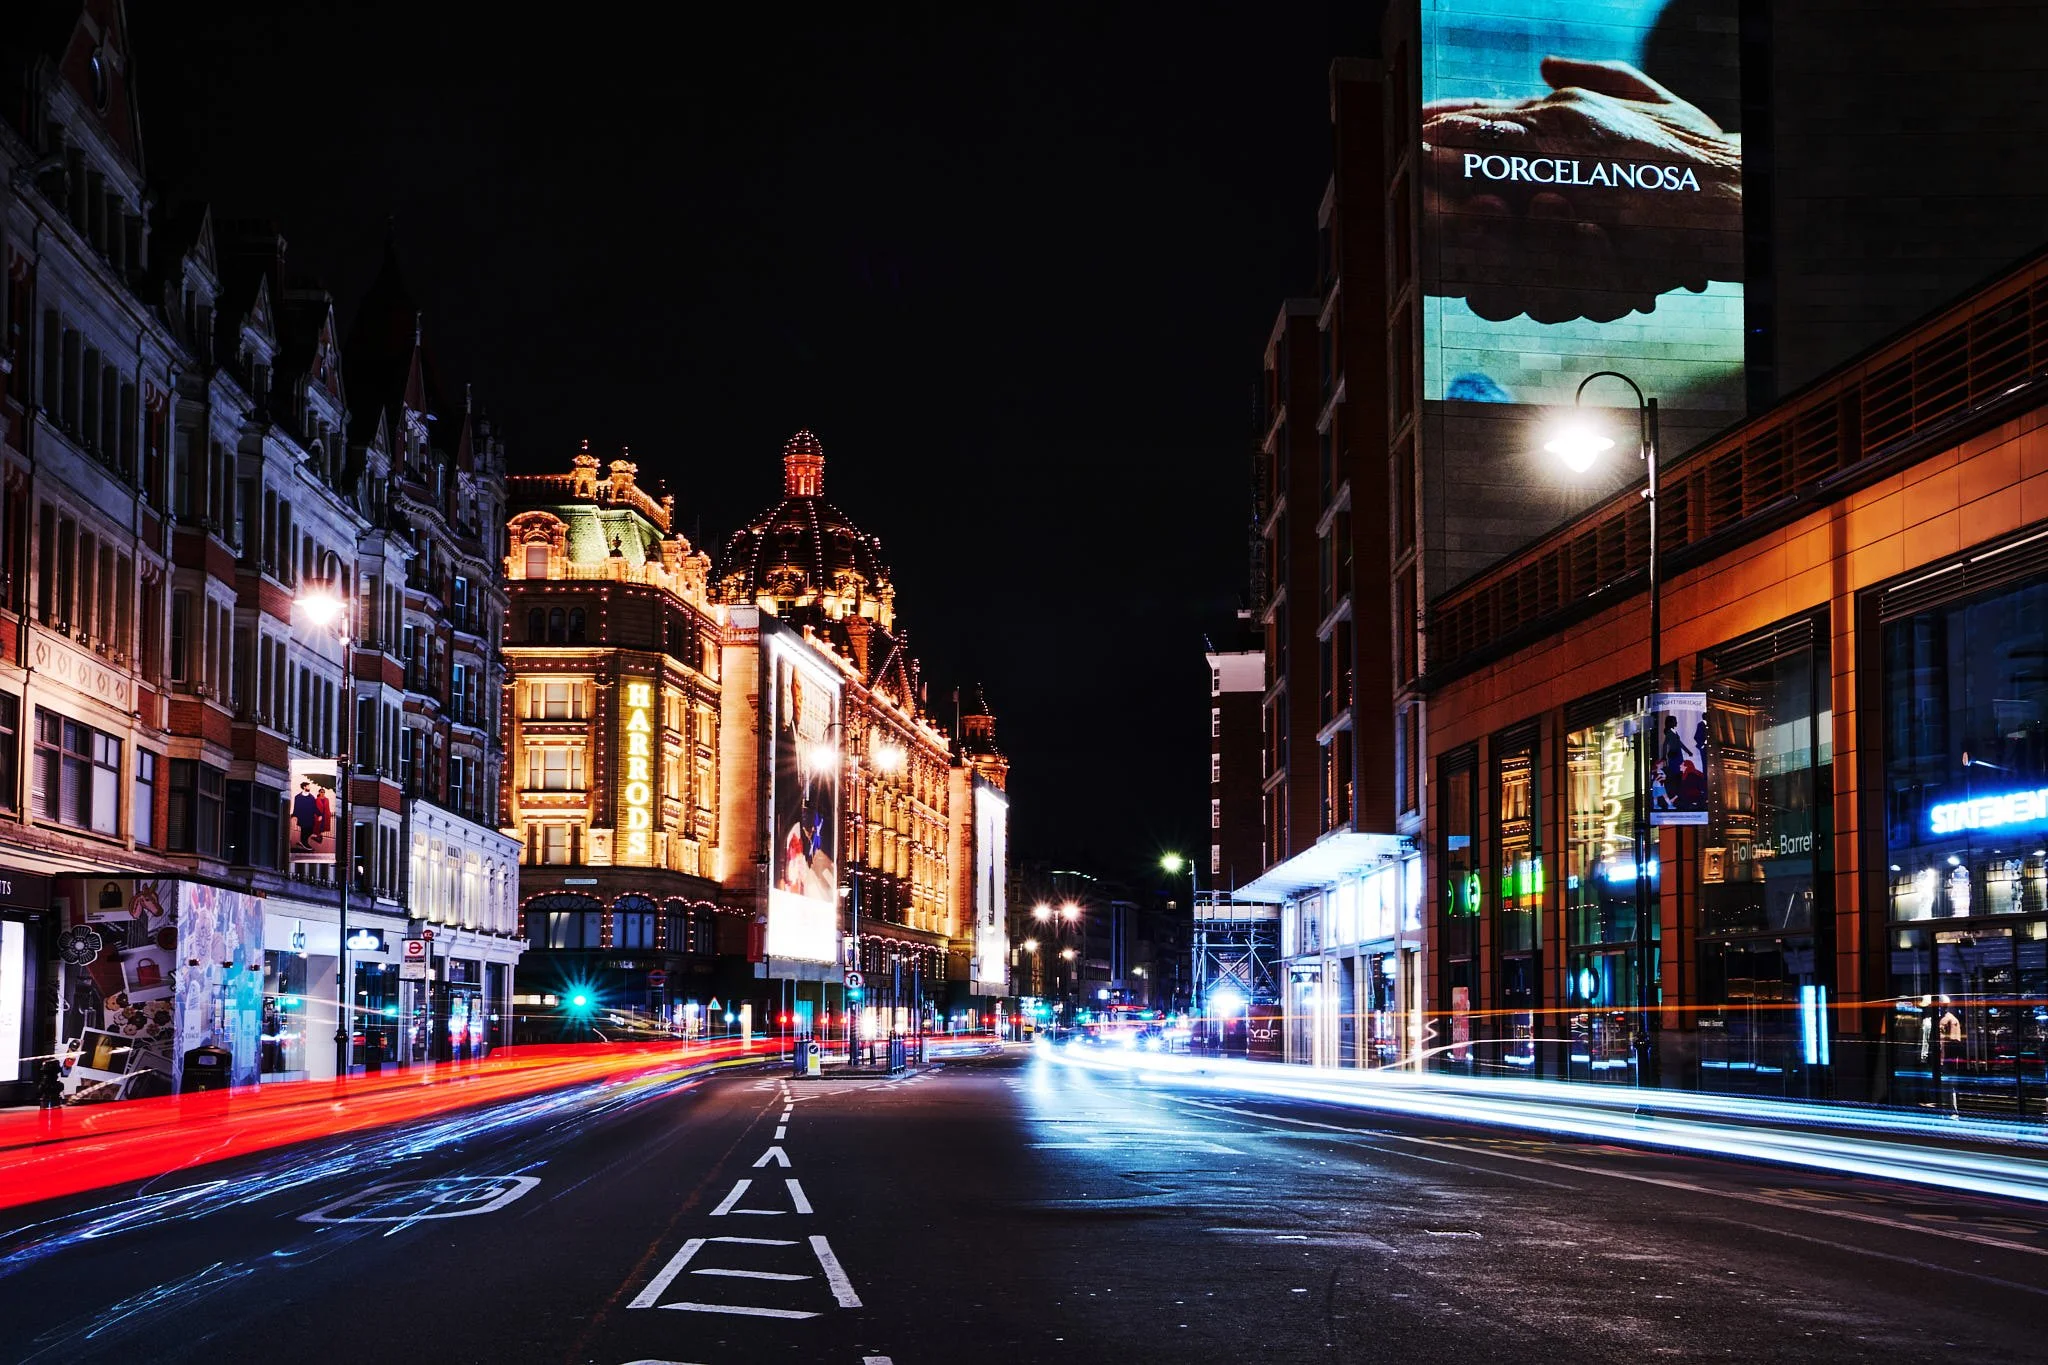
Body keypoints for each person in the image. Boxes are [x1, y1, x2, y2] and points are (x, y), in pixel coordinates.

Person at [292, 781, 322, 851]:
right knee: (304, 830)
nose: (309, 787)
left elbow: (315, 807)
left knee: (310, 830)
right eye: (308, 786)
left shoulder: (311, 797)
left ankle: (303, 842)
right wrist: (294, 815)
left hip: (310, 817)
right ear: (304, 787)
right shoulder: (298, 797)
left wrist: (319, 814)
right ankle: (304, 843)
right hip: (302, 817)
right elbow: (296, 807)